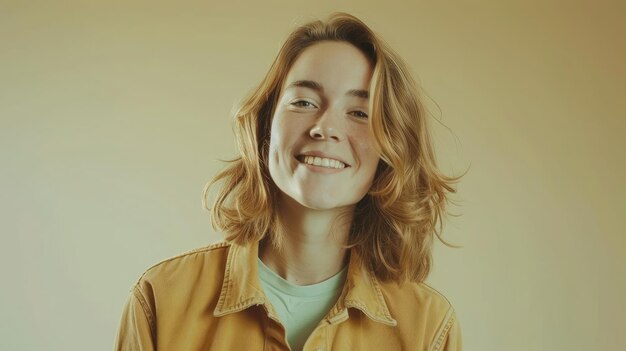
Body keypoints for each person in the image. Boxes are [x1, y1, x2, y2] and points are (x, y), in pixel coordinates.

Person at [115, 12, 463, 351]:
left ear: (390, 149)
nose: (324, 128)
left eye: (359, 112)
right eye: (304, 102)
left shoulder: (428, 328)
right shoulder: (159, 298)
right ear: (266, 125)